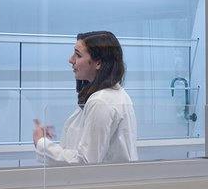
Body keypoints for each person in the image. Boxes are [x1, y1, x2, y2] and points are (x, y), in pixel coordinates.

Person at [33, 30, 138, 165]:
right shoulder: (116, 95)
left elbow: (85, 162)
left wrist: (42, 144)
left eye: (77, 55)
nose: (71, 60)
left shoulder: (101, 102)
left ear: (98, 63)